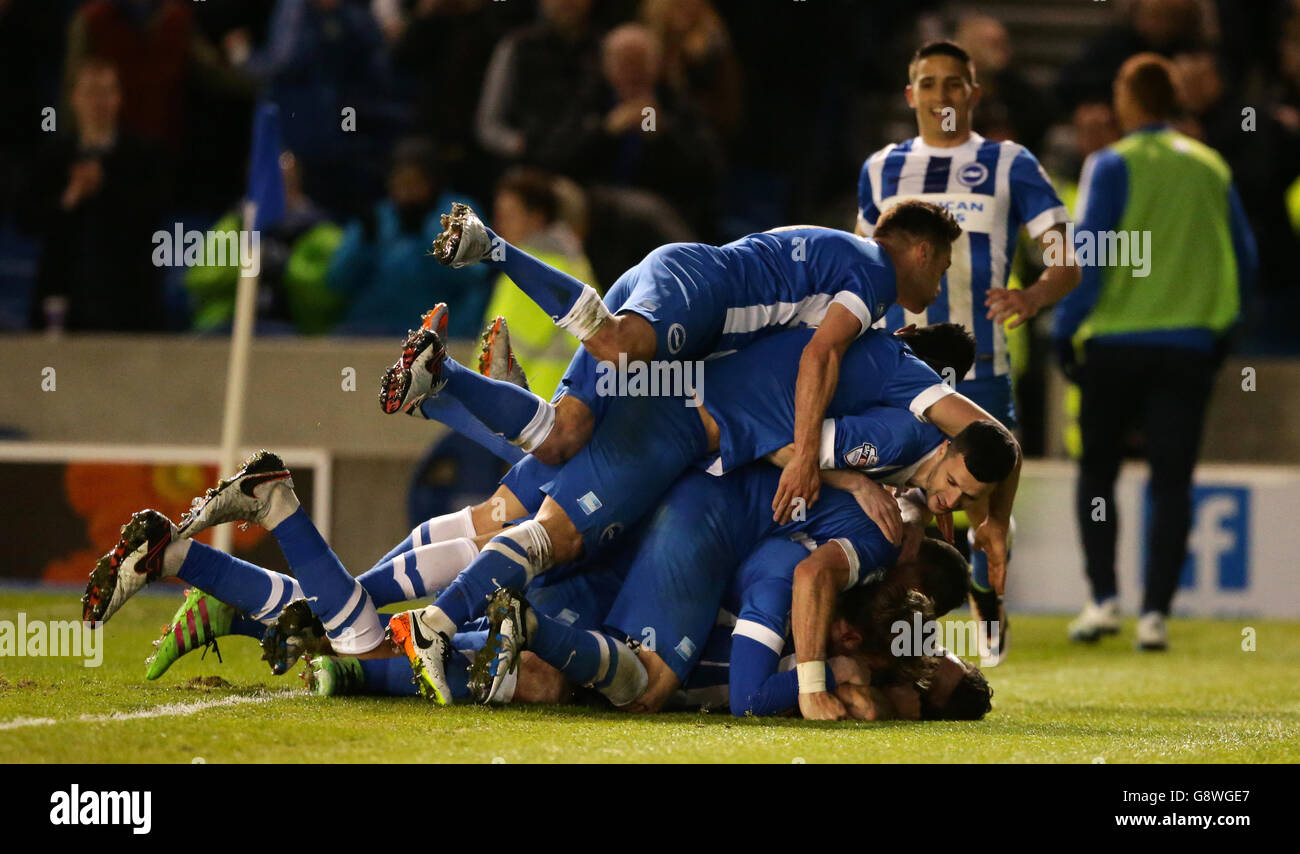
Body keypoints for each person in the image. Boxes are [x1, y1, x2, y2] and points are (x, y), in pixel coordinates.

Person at [857, 40, 1081, 661]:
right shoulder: (881, 169)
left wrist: (1031, 297)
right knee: (915, 509)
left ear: (974, 94)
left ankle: (987, 592)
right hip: (902, 372)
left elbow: (1066, 259)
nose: (941, 96)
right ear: (910, 96)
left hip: (982, 369)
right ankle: (914, 628)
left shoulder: (1010, 164)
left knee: (980, 508)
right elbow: (862, 267)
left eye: (954, 84)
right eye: (928, 83)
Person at [1052, 54, 1257, 651]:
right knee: (1172, 480)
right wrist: (1224, 329)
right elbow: (1243, 256)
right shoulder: (1210, 165)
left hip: (1116, 344)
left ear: (1131, 97)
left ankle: (1103, 601)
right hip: (1188, 345)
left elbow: (1089, 253)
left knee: (1098, 473)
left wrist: (1067, 328)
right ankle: (1156, 616)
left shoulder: (1111, 163)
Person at [15, 57, 168, 332]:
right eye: (90, 93)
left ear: (118, 98)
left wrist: (105, 186)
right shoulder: (54, 156)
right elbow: (26, 220)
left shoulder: (143, 155)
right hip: (64, 298)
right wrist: (69, 198)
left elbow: (154, 215)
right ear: (75, 99)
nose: (98, 103)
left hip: (129, 303)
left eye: (106, 93)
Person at [326, 139, 490, 336]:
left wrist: (432, 238)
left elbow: (476, 276)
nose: (407, 191)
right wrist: (364, 247)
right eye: (400, 182)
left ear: (433, 181)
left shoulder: (457, 214)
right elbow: (336, 282)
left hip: (439, 337)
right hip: (370, 331)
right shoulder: (377, 218)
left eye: (415, 182)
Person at [481, 168, 597, 397]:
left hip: (532, 412)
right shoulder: (573, 262)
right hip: (568, 405)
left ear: (536, 218)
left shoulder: (527, 271)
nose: (499, 226)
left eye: (508, 216)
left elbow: (496, 360)